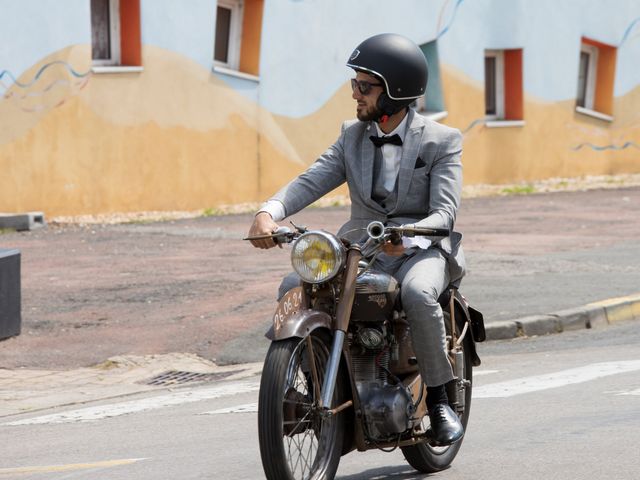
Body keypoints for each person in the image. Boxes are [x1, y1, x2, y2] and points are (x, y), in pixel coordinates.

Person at [248, 33, 466, 446]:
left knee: (419, 294)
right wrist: (269, 212)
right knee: (295, 284)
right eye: (354, 85)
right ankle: (315, 381)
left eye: (364, 86)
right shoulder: (352, 135)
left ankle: (440, 401)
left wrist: (410, 237)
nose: (355, 95)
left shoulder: (442, 140)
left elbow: (445, 211)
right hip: (361, 247)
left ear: (396, 91)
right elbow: (313, 179)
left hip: (421, 248)